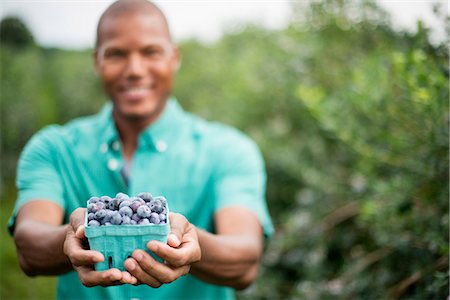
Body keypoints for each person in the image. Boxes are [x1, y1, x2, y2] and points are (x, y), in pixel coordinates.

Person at [8, 0, 273, 299]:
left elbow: (245, 260)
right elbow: (28, 246)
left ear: (174, 57)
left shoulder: (230, 150)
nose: (134, 70)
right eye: (117, 54)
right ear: (97, 61)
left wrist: (190, 241)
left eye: (151, 52)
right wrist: (77, 236)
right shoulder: (54, 148)